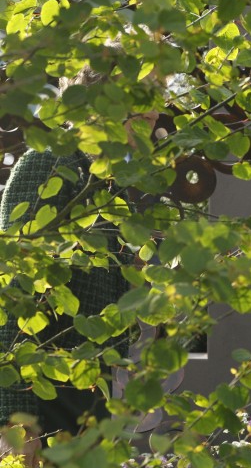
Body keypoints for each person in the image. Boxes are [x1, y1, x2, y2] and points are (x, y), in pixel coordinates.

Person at [0, 57, 158, 465]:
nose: (154, 117)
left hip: (87, 409)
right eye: (142, 105)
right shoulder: (50, 165)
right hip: (42, 413)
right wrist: (14, 427)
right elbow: (14, 301)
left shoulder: (105, 183)